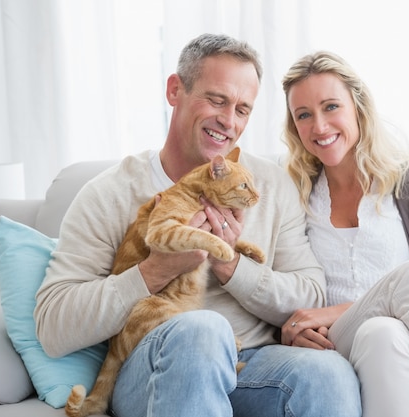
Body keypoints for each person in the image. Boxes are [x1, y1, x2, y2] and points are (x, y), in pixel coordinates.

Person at [34, 35, 361, 417]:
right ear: (175, 90)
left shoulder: (267, 184)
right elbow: (54, 327)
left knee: (329, 372)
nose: (229, 120)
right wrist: (156, 269)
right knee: (203, 331)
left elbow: (310, 294)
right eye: (217, 100)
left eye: (243, 109)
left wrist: (228, 267)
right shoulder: (109, 193)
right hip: (156, 361)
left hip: (253, 362)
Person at [280, 51, 409, 417]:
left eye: (330, 107)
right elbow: (280, 291)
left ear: (358, 107)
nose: (320, 126)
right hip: (336, 343)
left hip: (406, 342)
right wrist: (291, 328)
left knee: (383, 331)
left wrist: (331, 311)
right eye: (304, 115)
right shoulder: (293, 196)